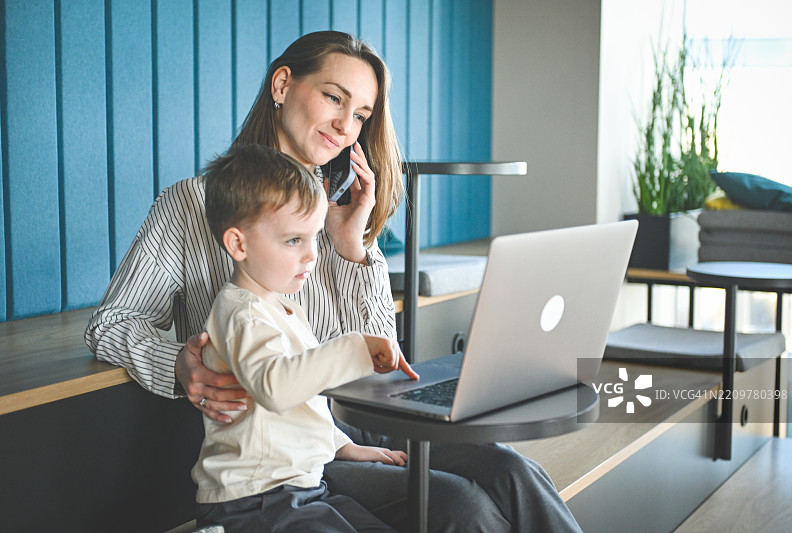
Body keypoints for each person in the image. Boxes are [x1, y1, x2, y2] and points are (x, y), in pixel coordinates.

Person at [85, 30, 582, 532]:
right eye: (333, 98)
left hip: (356, 419)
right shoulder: (189, 206)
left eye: (362, 115)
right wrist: (177, 366)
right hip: (284, 453)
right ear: (282, 85)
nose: (347, 127)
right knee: (463, 506)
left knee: (511, 469)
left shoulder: (338, 211)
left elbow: (380, 354)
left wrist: (353, 248)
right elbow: (111, 324)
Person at [194, 143, 418, 532]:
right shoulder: (242, 313)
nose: (312, 255)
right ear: (238, 244)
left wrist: (344, 445)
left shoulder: (284, 307)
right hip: (254, 501)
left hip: (301, 490)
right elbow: (276, 388)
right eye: (294, 240)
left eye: (314, 237)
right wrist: (355, 346)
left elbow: (301, 404)